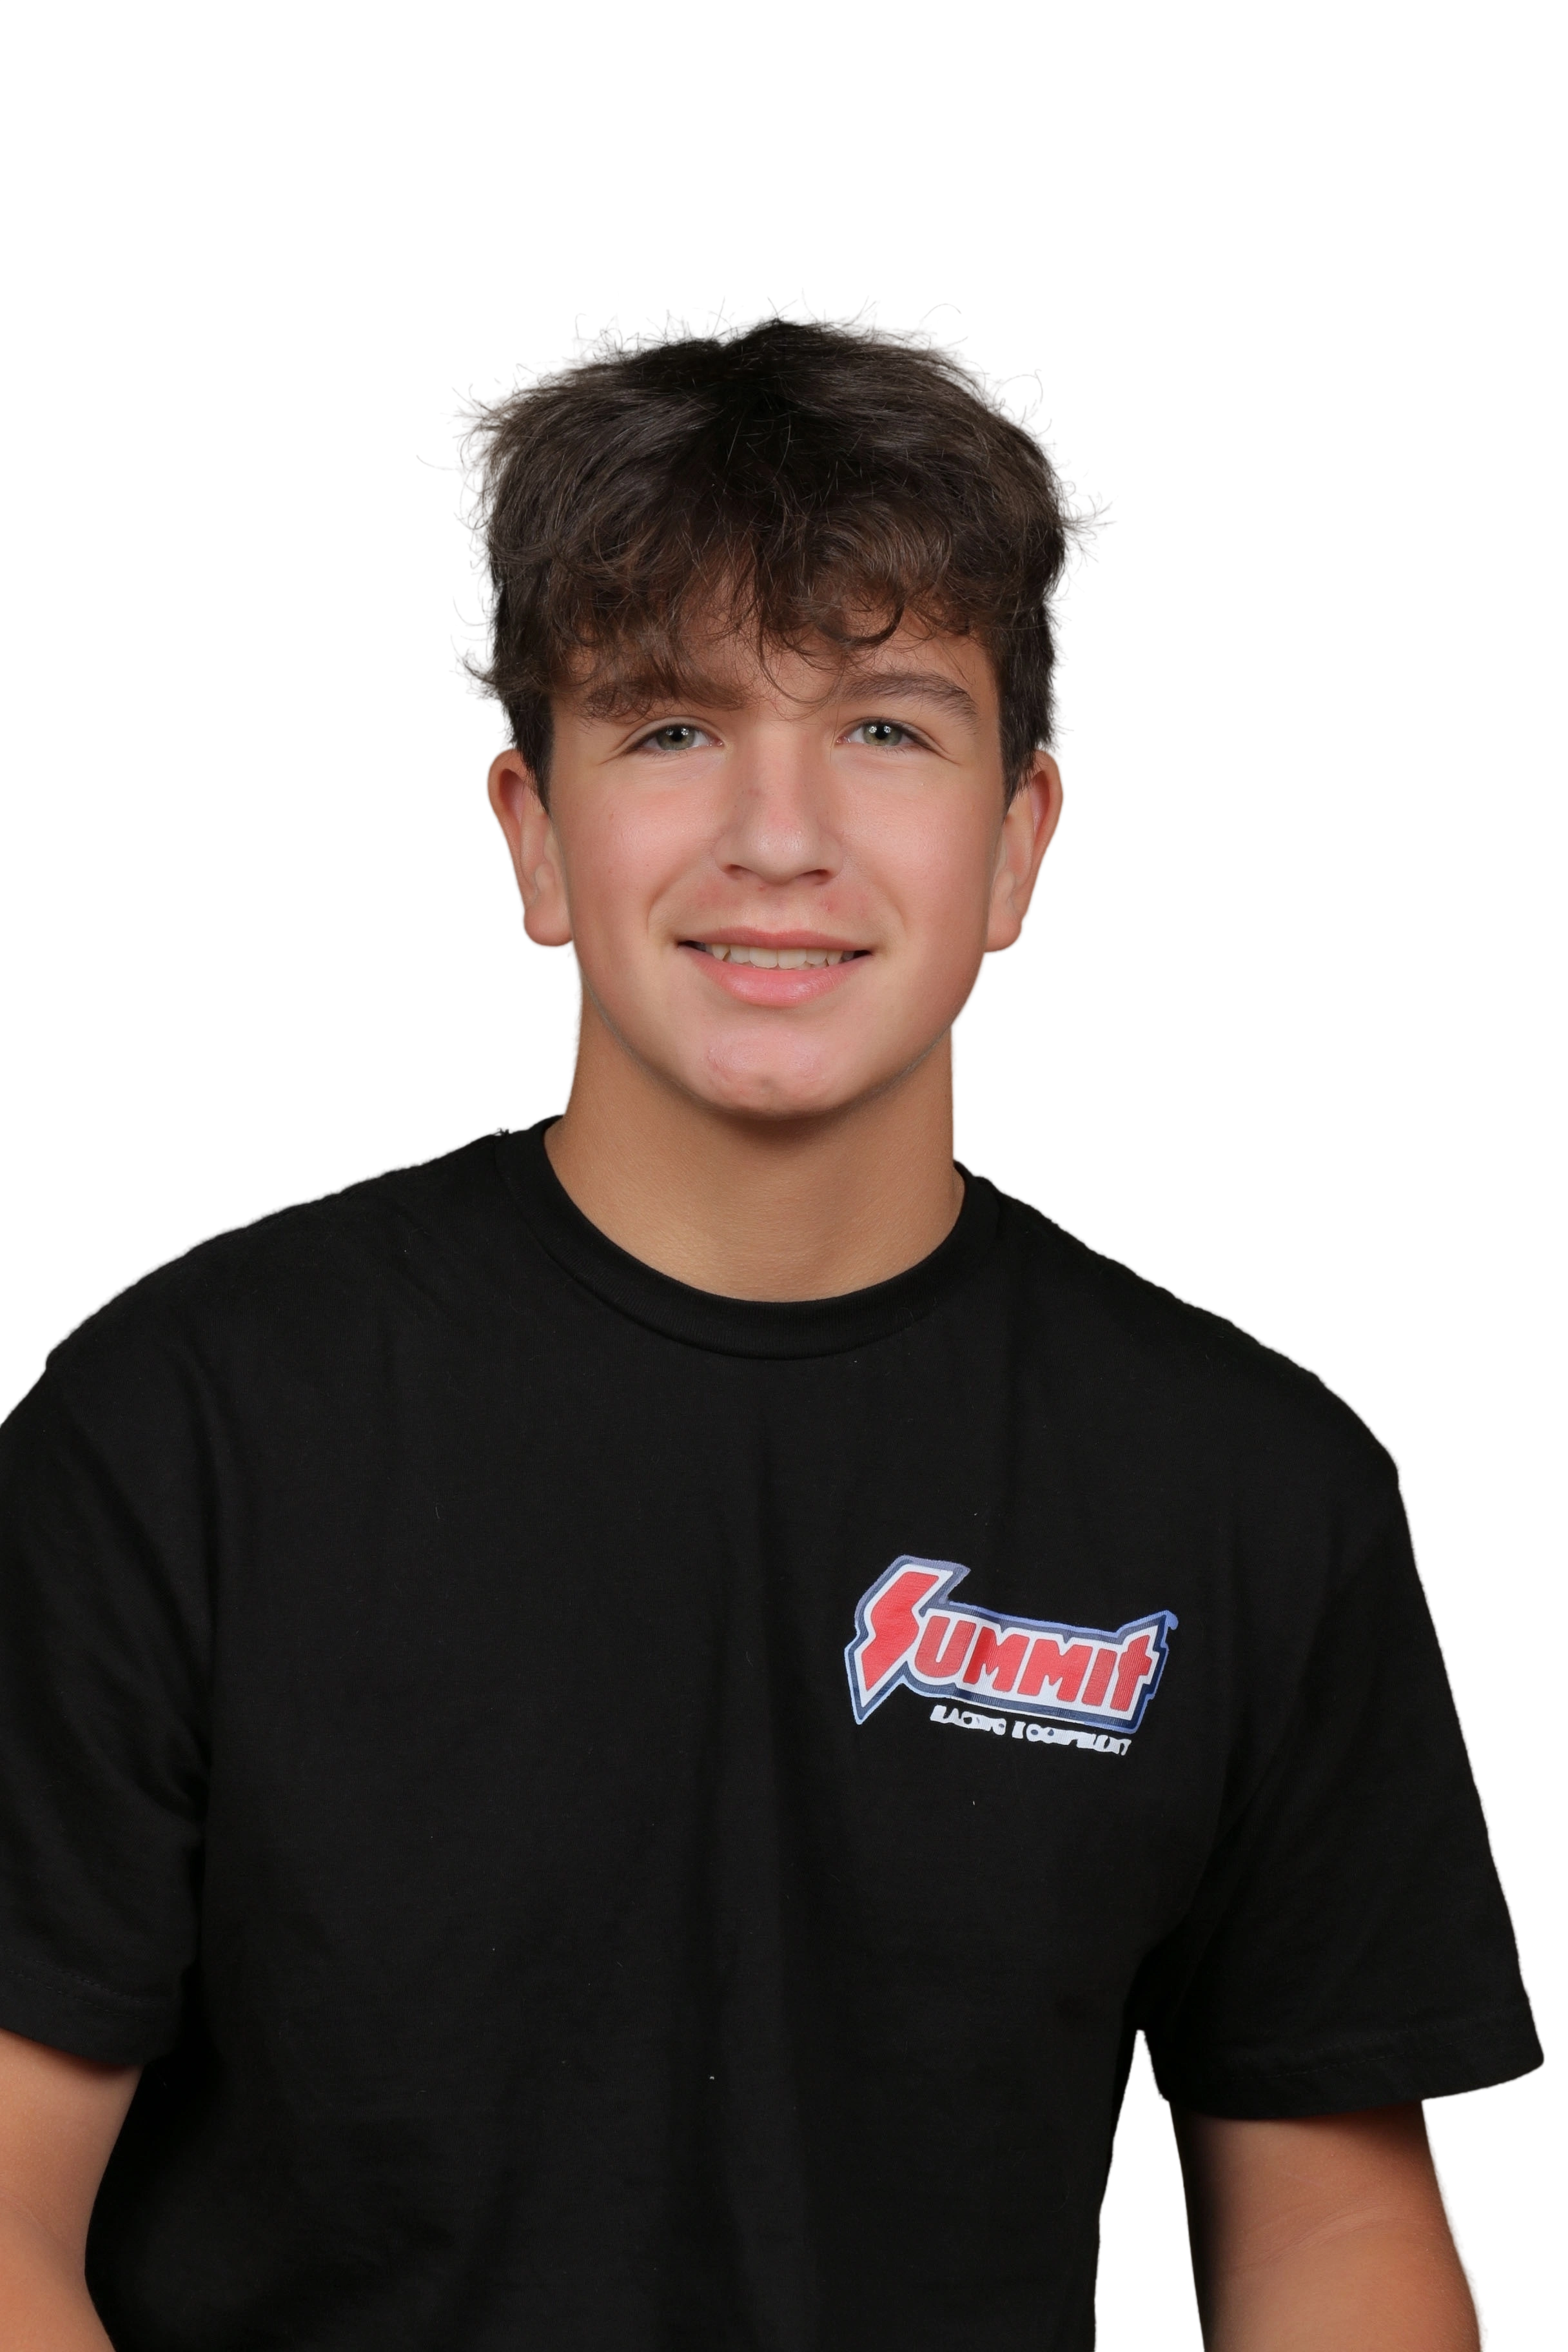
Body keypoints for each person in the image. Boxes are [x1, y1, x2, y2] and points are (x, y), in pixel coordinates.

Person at [0, 289, 1542, 2352]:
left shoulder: (1254, 1490)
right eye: (670, 725)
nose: (781, 839)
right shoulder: (178, 1431)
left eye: (888, 726)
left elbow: (1336, 2235)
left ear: (1021, 840)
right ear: (535, 836)